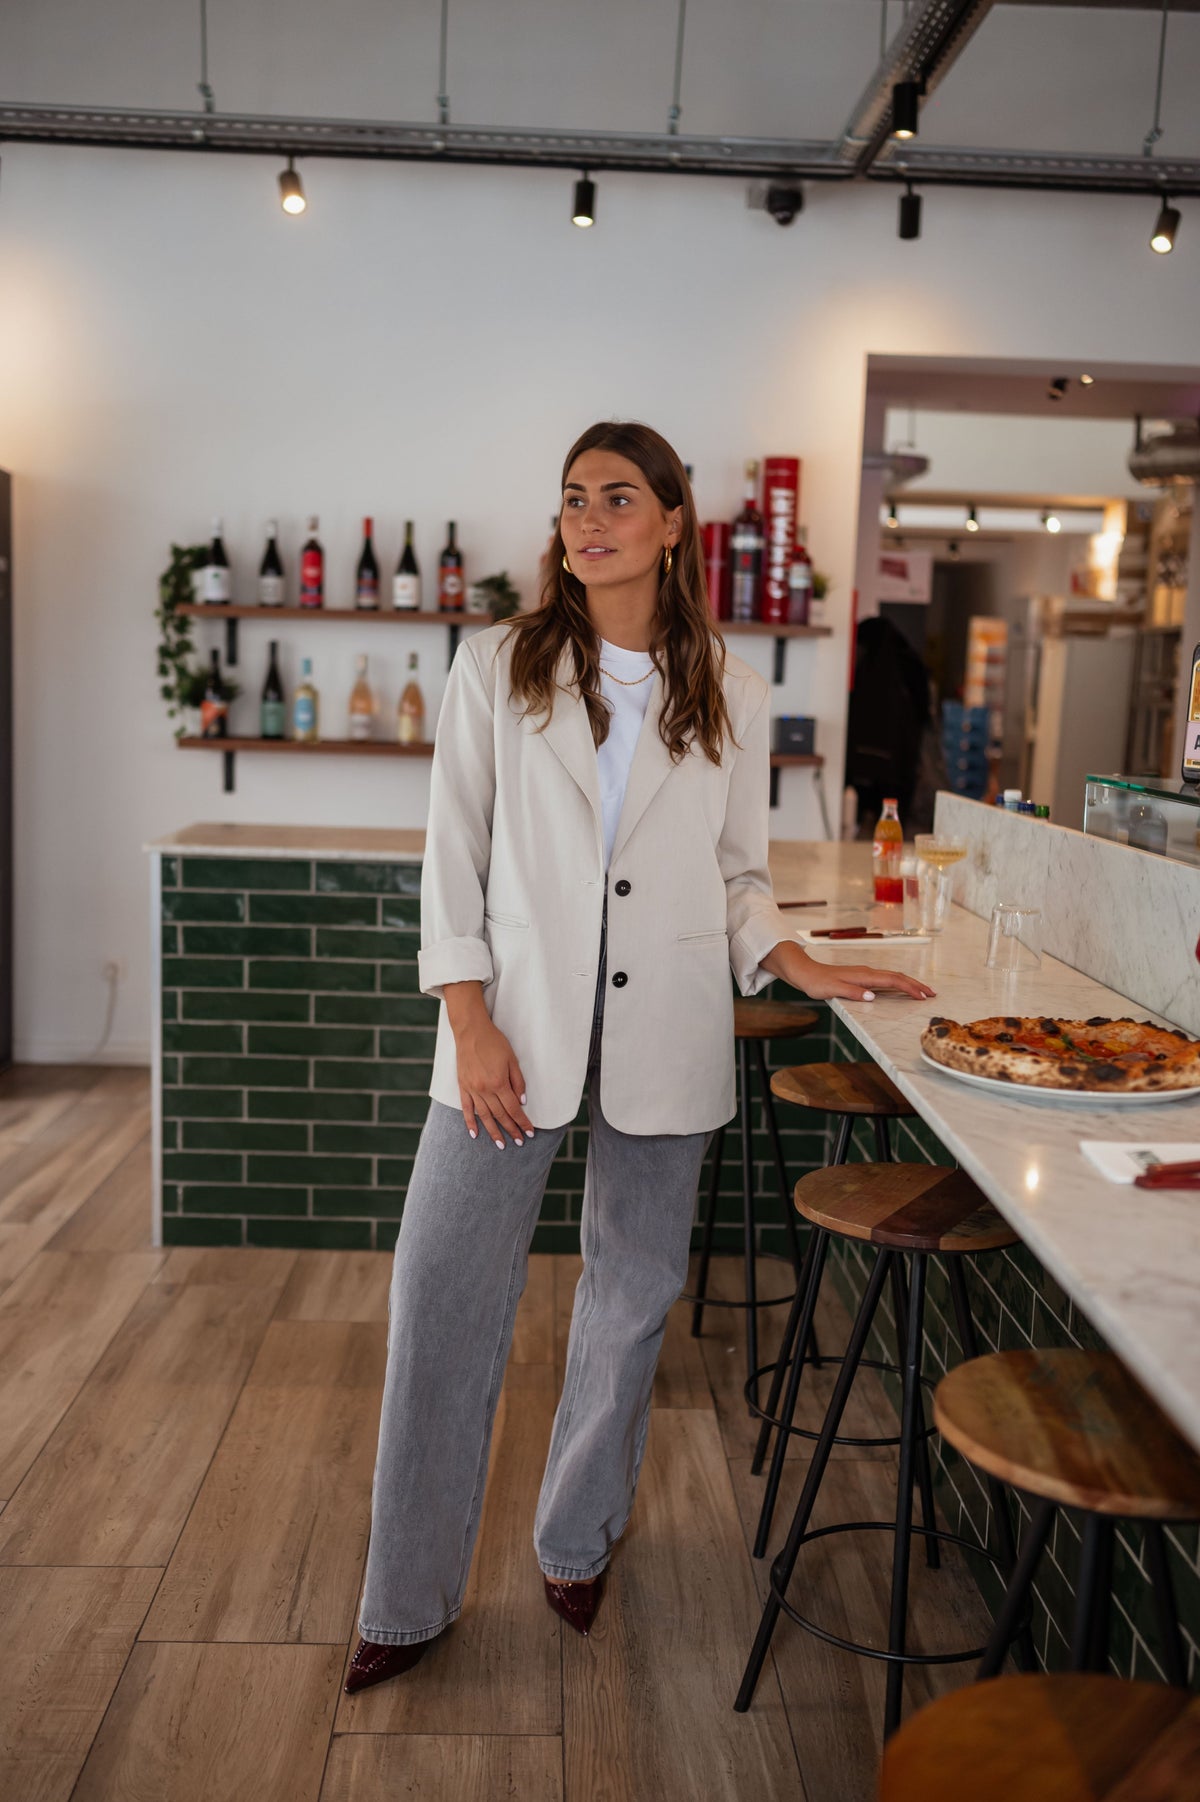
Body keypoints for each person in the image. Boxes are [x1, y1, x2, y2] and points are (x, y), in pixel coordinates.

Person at [345, 421, 935, 1693]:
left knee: (628, 1302)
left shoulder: (720, 679)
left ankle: (577, 1533)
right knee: (442, 1293)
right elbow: (454, 857)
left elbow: (735, 878)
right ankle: (402, 1595)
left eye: (619, 496)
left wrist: (801, 963)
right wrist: (471, 1019)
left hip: (663, 1024)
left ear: (674, 523)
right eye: (572, 498)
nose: (589, 517)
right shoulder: (495, 665)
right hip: (512, 1031)